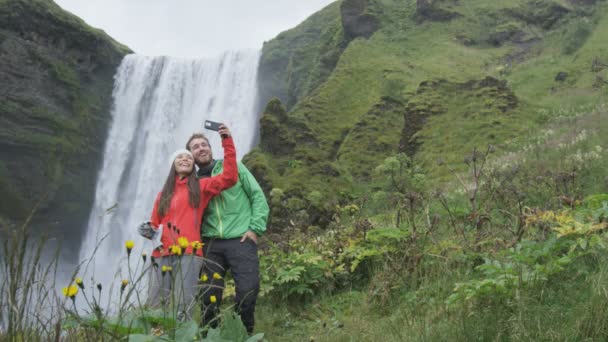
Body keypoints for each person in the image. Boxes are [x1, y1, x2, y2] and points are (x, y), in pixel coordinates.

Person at [140, 125, 237, 320]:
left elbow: (229, 177)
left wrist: (227, 141)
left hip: (190, 253)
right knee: (155, 304)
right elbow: (154, 223)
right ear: (173, 165)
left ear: (193, 166)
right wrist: (147, 229)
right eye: (180, 157)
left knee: (184, 305)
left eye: (189, 158)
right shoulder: (162, 194)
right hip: (162, 254)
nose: (185, 159)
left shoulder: (201, 187)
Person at [186, 131, 269, 334]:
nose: (201, 148)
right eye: (195, 147)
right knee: (208, 295)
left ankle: (242, 333)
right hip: (210, 243)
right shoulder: (191, 182)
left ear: (211, 147)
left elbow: (257, 196)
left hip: (240, 238)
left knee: (248, 290)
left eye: (204, 144)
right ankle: (210, 336)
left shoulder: (233, 168)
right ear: (190, 155)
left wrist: (254, 229)